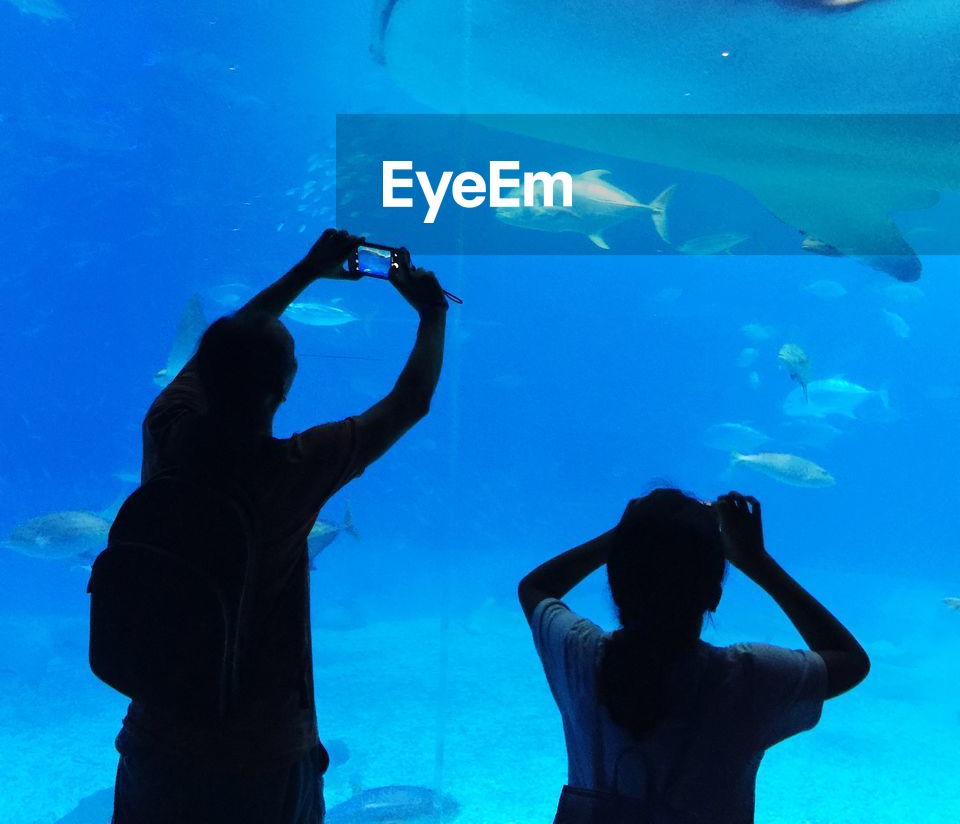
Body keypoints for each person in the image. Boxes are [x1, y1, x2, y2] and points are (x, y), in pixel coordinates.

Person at [112, 229, 448, 824]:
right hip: (260, 748)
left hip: (155, 735)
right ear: (286, 386)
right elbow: (410, 401)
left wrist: (306, 270)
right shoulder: (293, 469)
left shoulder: (164, 431)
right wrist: (431, 313)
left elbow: (225, 348)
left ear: (201, 373)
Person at [518, 489, 869, 823]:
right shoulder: (745, 679)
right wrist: (757, 561)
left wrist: (622, 535)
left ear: (614, 585)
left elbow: (535, 587)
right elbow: (850, 660)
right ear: (714, 595)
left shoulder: (580, 657)